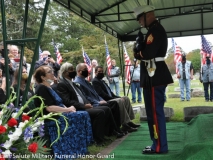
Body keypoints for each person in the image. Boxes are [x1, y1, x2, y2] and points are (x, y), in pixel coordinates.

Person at [133, 5, 173, 154]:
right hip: (152, 75)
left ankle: (159, 146)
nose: (139, 22)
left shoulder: (155, 30)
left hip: (154, 75)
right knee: (152, 112)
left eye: (140, 18)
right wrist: (140, 47)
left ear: (147, 15)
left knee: (155, 112)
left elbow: (148, 53)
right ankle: (156, 143)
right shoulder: (152, 30)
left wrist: (138, 50)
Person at [33, 66, 93, 156]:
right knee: (83, 115)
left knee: (82, 114)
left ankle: (79, 147)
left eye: (52, 70)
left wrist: (68, 109)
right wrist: (67, 109)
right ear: (43, 77)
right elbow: (49, 108)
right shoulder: (42, 88)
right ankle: (75, 148)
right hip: (52, 118)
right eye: (50, 71)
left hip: (60, 113)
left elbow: (59, 102)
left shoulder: (49, 87)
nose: (53, 72)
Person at [55, 62, 118, 145]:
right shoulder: (62, 85)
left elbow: (83, 96)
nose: (73, 71)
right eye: (71, 70)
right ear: (65, 72)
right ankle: (98, 139)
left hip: (85, 105)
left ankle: (107, 133)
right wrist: (84, 106)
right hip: (76, 109)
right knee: (100, 112)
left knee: (106, 108)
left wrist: (88, 103)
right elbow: (67, 101)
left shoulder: (73, 83)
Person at [74, 63, 125, 137]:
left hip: (98, 100)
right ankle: (113, 130)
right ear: (79, 71)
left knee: (114, 104)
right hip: (92, 103)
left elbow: (95, 94)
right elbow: (85, 97)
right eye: (85, 69)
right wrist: (98, 102)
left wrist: (101, 99)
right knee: (107, 106)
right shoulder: (78, 83)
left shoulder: (86, 81)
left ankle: (117, 128)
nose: (87, 71)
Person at [92, 66, 140, 132]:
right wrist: (116, 99)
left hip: (110, 97)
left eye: (102, 71)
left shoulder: (102, 81)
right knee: (120, 101)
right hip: (105, 100)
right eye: (99, 72)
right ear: (95, 72)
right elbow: (102, 94)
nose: (101, 73)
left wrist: (118, 97)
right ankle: (125, 124)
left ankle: (129, 121)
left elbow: (111, 93)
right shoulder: (95, 81)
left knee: (125, 98)